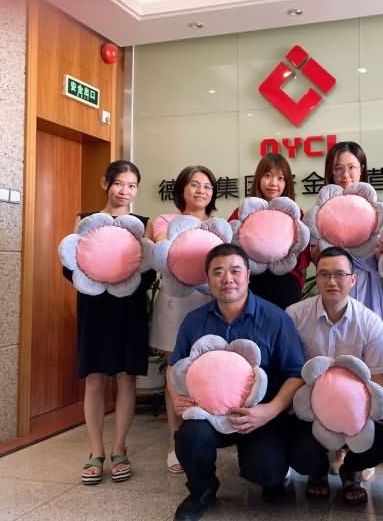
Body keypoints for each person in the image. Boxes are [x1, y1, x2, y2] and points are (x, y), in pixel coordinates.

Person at [168, 244, 305, 521]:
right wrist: (176, 397)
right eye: (218, 272)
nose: (227, 279)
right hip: (209, 413)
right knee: (189, 437)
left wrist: (269, 411)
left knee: (266, 470)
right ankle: (202, 490)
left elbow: (296, 373)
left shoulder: (275, 319)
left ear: (248, 275)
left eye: (235, 271)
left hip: (259, 416)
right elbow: (174, 366)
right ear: (208, 279)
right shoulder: (194, 321)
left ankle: (272, 477)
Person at [62, 160, 155, 485]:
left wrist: (122, 276)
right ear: (106, 183)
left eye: (131, 185)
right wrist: (97, 274)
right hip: (94, 307)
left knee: (127, 378)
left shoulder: (143, 225)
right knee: (94, 378)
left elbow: (149, 271)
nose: (124, 191)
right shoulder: (85, 221)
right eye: (119, 183)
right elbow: (70, 264)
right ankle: (95, 451)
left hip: (129, 307)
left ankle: (119, 449)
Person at [285, 247, 383, 504]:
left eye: (339, 274)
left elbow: (377, 382)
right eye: (324, 274)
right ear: (317, 278)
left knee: (382, 441)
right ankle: (317, 470)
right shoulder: (295, 316)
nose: (331, 281)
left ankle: (351, 469)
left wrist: (357, 418)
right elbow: (289, 370)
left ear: (353, 279)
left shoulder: (370, 322)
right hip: (309, 408)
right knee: (296, 448)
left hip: (356, 411)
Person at [149, 165, 218, 474]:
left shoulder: (217, 226)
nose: (201, 190)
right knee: (174, 371)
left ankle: (206, 437)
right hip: (175, 303)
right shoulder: (165, 221)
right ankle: (174, 441)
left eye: (207, 186)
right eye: (194, 184)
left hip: (209, 302)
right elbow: (164, 253)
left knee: (209, 369)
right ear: (181, 189)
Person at [321, 141, 383, 351]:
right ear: (331, 172)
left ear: (362, 168)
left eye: (351, 167)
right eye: (338, 168)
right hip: (335, 284)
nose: (345, 175)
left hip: (367, 285)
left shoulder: (377, 209)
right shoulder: (322, 210)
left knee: (372, 347)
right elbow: (318, 257)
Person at [228, 153, 310, 309]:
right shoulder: (242, 213)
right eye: (267, 176)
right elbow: (230, 250)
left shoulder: (296, 215)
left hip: (286, 285)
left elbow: (304, 257)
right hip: (251, 284)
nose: (273, 183)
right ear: (259, 179)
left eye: (280, 178)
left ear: (287, 183)